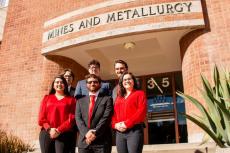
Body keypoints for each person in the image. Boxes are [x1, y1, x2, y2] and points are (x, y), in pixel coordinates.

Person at [75, 74, 113, 153]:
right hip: (84, 141)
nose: (92, 84)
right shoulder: (80, 101)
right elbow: (78, 119)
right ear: (86, 85)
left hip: (102, 141)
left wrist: (94, 133)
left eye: (95, 82)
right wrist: (86, 133)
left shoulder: (107, 99)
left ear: (100, 84)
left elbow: (106, 118)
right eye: (90, 82)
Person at [38, 75, 76, 153]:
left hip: (64, 133)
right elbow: (41, 118)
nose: (59, 84)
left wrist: (59, 130)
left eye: (62, 82)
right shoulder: (47, 98)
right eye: (57, 82)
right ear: (53, 85)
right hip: (46, 132)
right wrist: (49, 129)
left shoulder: (71, 100)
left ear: (65, 85)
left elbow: (71, 118)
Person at [112, 72, 147, 153]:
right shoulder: (119, 97)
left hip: (134, 131)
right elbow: (114, 113)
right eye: (124, 79)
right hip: (120, 132)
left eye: (129, 79)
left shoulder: (140, 94)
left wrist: (126, 123)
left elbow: (141, 111)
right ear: (122, 83)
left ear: (133, 81)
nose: (127, 81)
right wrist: (115, 125)